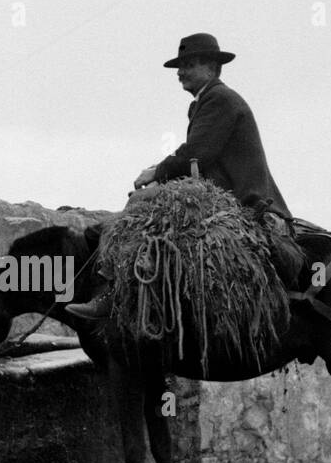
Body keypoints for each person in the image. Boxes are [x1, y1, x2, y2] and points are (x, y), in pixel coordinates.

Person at [66, 32, 292, 320]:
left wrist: (155, 172)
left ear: (212, 67)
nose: (181, 73)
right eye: (179, 67)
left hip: (240, 198)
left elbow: (196, 154)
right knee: (146, 200)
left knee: (138, 204)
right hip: (222, 190)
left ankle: (111, 293)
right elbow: (197, 160)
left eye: (190, 65)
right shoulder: (207, 100)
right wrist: (163, 175)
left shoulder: (219, 99)